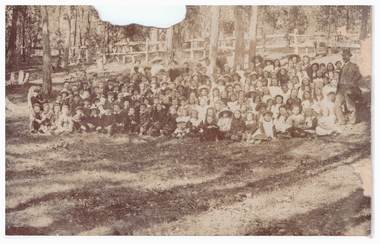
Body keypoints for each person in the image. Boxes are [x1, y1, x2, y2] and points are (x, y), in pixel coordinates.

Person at [334, 48, 362, 125]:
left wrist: (352, 83)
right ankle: (342, 120)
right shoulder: (343, 66)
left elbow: (359, 75)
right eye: (343, 56)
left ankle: (352, 121)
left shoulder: (353, 65)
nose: (344, 58)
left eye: (346, 56)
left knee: (350, 106)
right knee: (336, 105)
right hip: (341, 90)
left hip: (349, 89)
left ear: (349, 57)